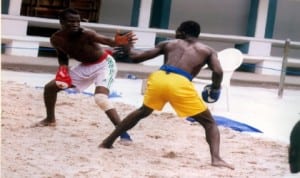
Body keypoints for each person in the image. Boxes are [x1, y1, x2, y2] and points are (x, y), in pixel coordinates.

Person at [100, 21, 234, 169]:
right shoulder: (208, 50)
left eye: (176, 31)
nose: (175, 34)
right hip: (180, 82)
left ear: (182, 33)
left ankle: (108, 141)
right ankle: (216, 158)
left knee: (142, 111)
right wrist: (215, 88)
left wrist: (126, 46)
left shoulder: (168, 44)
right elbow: (218, 71)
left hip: (159, 77)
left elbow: (136, 57)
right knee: (209, 123)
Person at [33, 8, 136, 142]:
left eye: (78, 21)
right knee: (50, 87)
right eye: (71, 21)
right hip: (85, 66)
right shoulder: (56, 39)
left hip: (104, 64)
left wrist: (117, 42)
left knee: (100, 98)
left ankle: (123, 133)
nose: (76, 24)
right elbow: (62, 55)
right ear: (62, 22)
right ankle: (50, 119)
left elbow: (106, 41)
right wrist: (63, 67)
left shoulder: (87, 33)